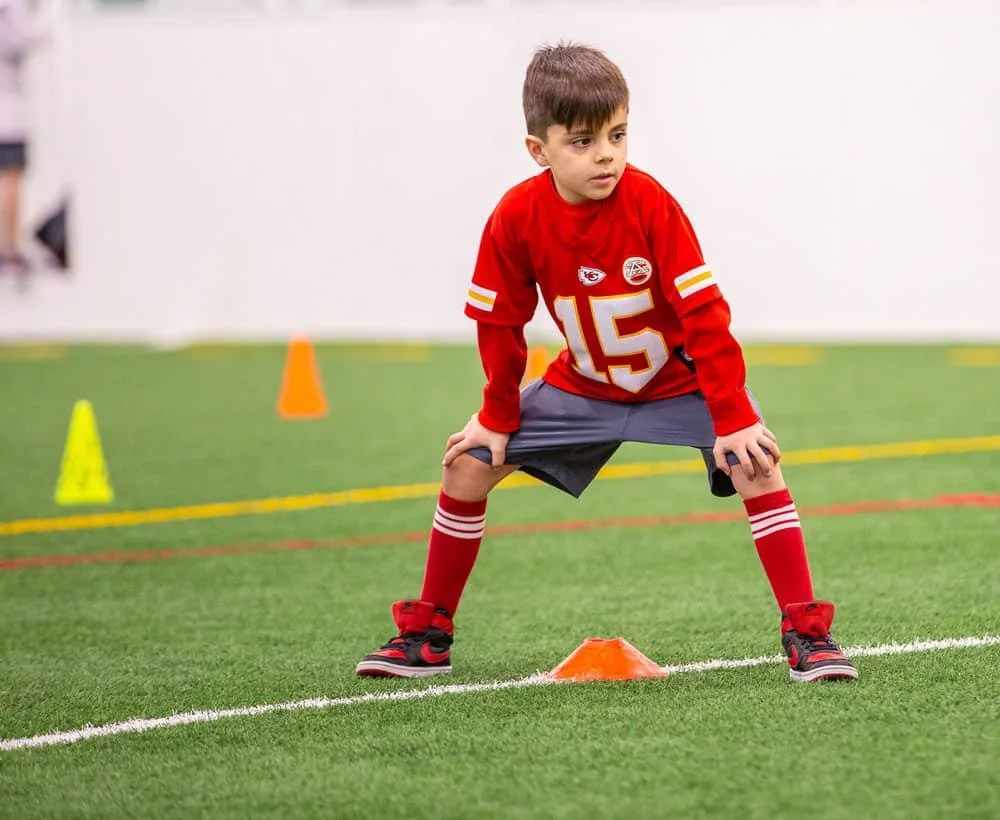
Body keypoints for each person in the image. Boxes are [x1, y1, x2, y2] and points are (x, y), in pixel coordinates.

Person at [356, 43, 858, 684]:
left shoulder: (652, 203)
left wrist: (730, 417)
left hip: (678, 384)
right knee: (467, 466)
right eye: (583, 141)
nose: (606, 155)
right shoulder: (515, 216)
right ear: (539, 150)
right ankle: (427, 635)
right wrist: (496, 416)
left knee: (756, 459)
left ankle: (807, 634)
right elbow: (499, 324)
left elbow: (706, 316)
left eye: (618, 135)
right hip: (585, 386)